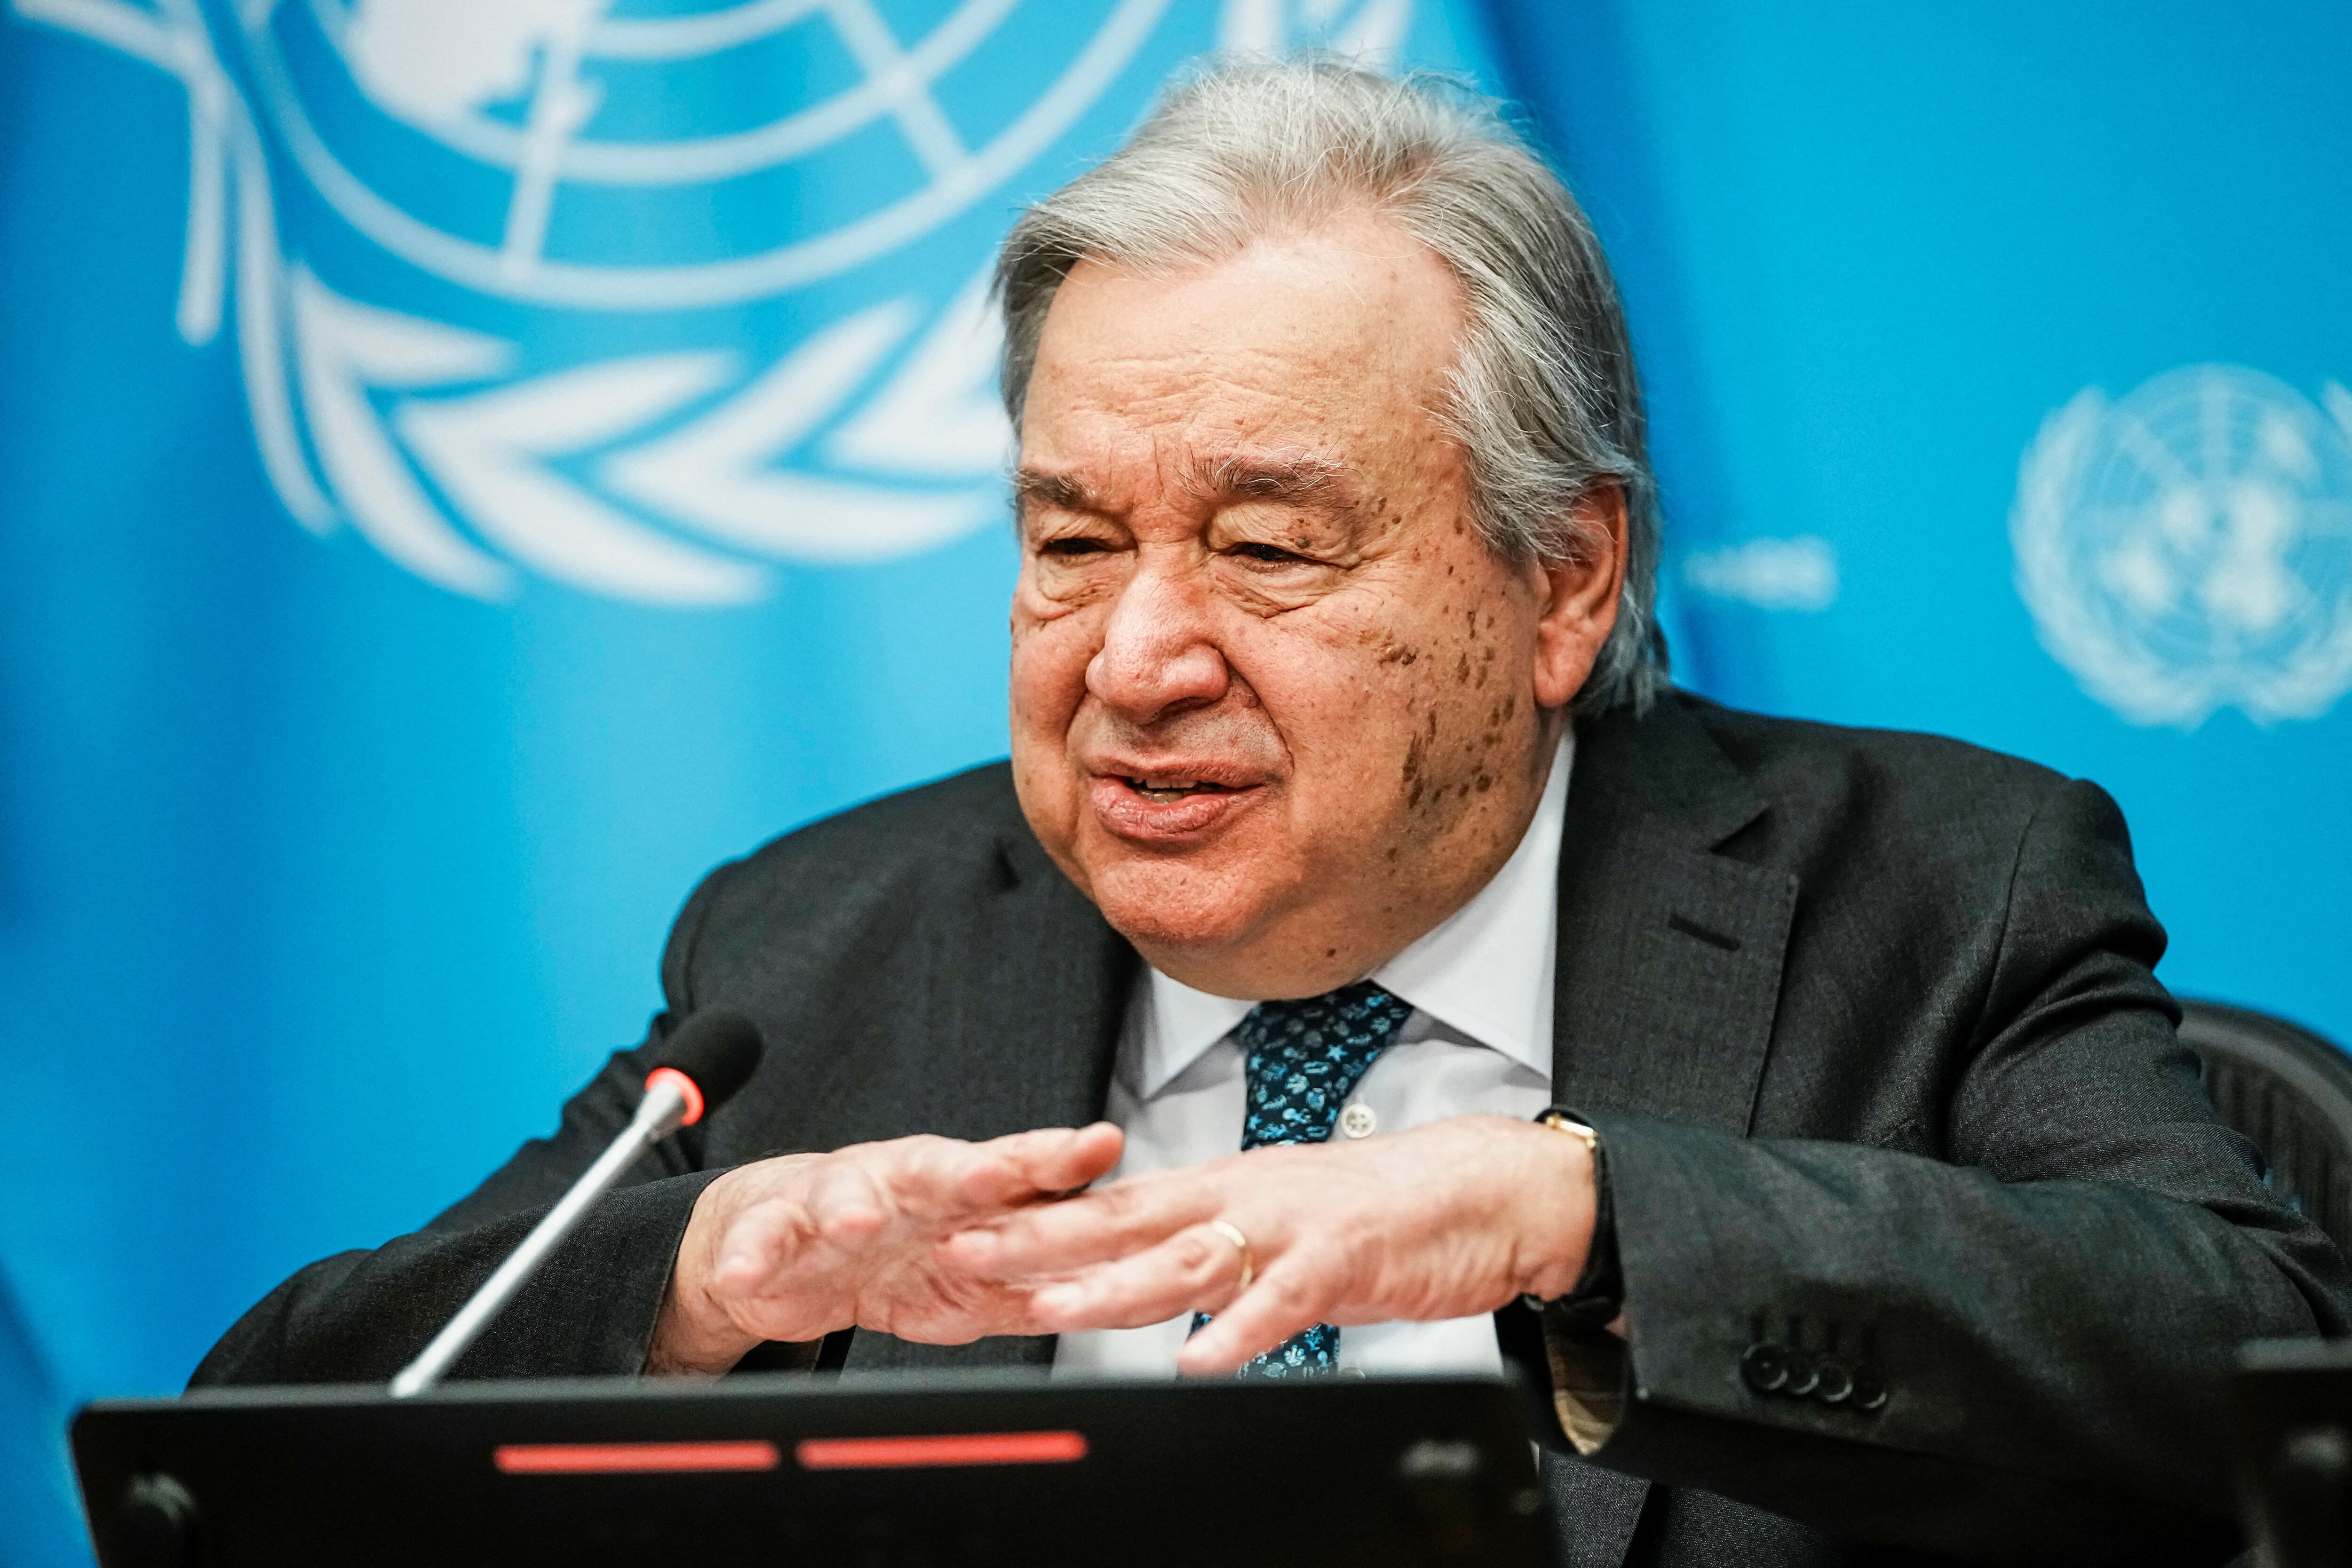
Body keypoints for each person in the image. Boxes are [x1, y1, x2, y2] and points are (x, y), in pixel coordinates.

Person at [194, 61, 2346, 1566]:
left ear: (1560, 579)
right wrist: (688, 1282)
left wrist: (1582, 1220)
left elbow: (2257, 1375)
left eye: (1267, 546)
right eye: (1067, 542)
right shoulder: (816, 945)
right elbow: (239, 1470)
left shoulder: (1930, 899)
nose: (1134, 657)